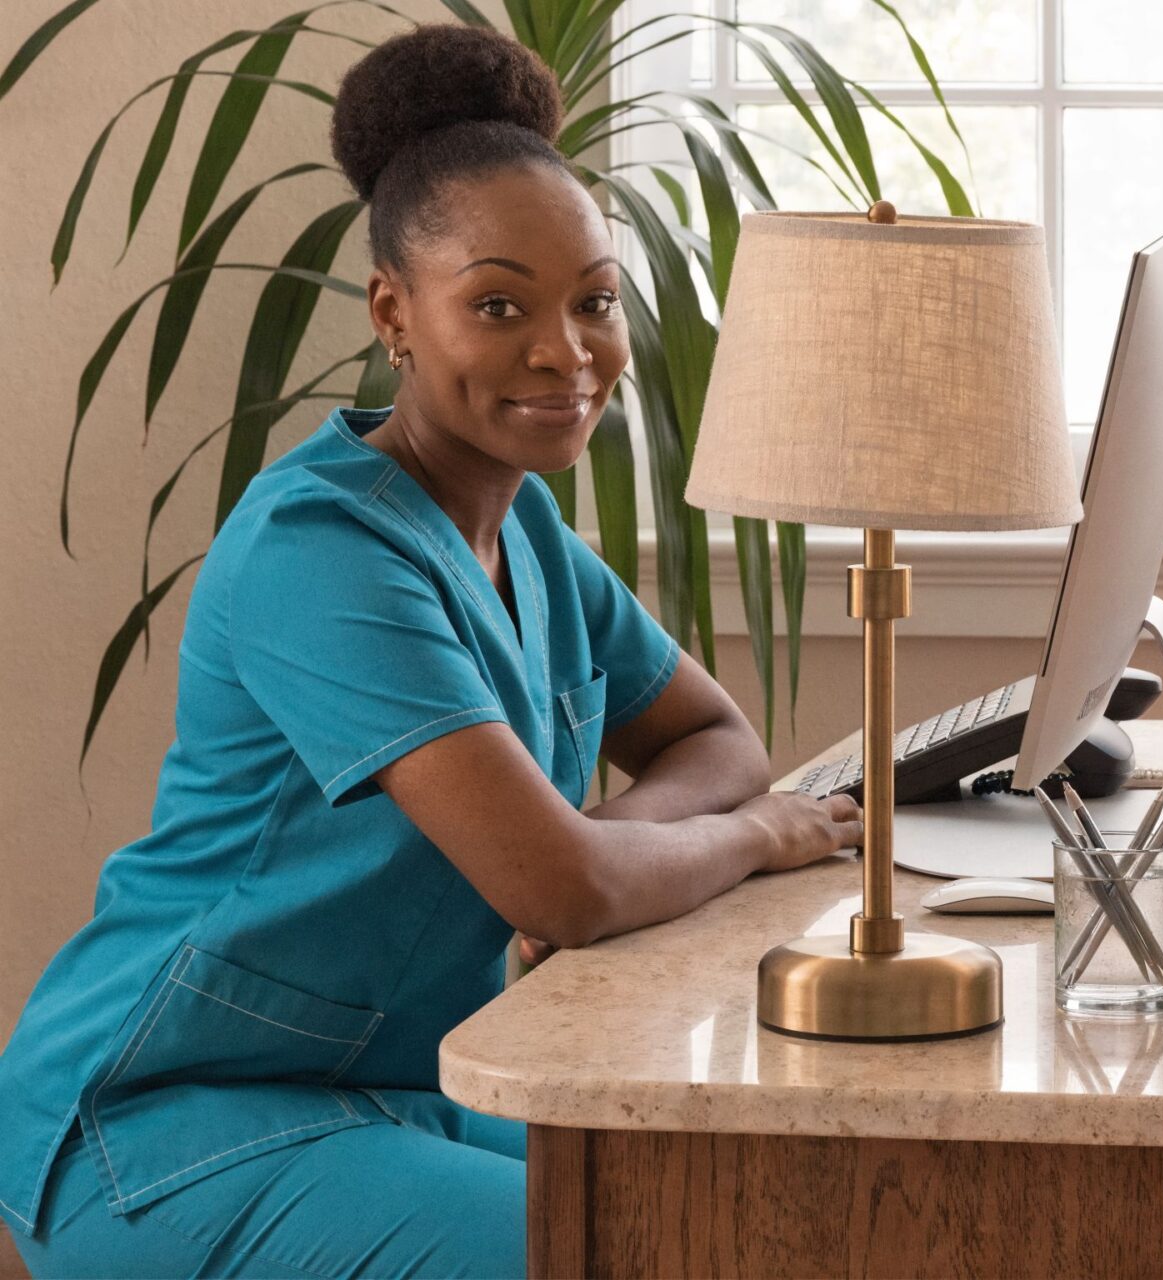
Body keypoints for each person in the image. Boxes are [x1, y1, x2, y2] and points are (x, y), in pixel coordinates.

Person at [0, 24, 860, 1278]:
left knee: (754, 1201)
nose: (567, 351)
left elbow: (713, 738)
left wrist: (620, 850)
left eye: (595, 303)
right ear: (395, 314)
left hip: (401, 1084)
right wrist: (749, 836)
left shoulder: (531, 530)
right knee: (630, 1246)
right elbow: (560, 891)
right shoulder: (323, 549)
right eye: (499, 304)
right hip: (164, 1120)